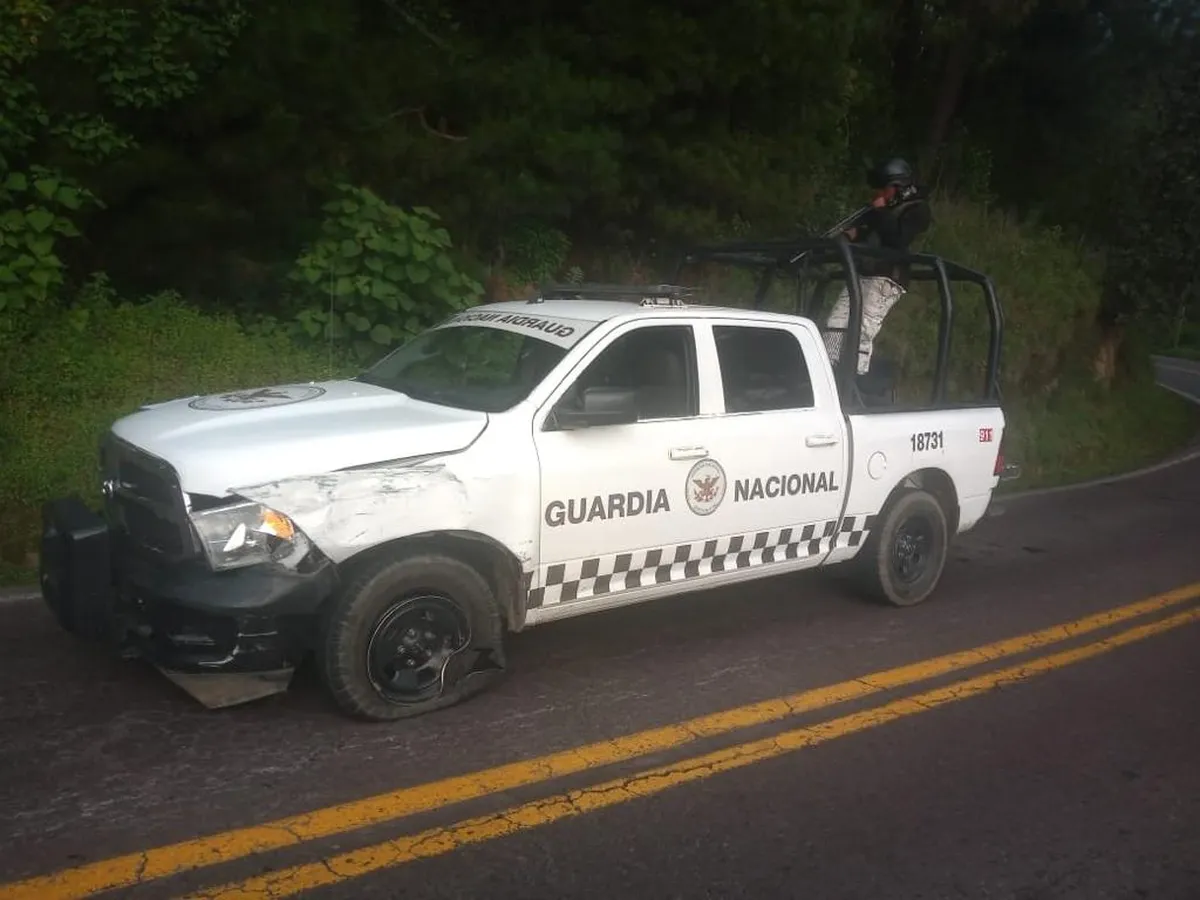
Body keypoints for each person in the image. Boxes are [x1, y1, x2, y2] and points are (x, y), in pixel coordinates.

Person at [823, 157, 932, 378]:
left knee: (861, 330)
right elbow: (867, 231)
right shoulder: (884, 210)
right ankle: (826, 372)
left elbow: (898, 239)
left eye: (884, 188)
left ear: (897, 186)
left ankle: (854, 382)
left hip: (887, 278)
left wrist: (879, 212)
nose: (880, 193)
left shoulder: (918, 210)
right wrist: (848, 235)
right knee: (835, 323)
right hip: (862, 273)